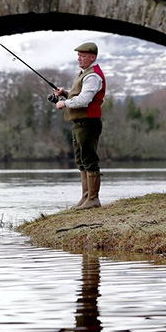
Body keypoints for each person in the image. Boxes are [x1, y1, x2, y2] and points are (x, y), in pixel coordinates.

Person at [53, 42, 106, 210]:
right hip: (80, 122)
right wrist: (66, 93)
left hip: (88, 122)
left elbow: (85, 100)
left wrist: (65, 103)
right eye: (78, 55)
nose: (79, 58)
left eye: (82, 56)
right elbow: (82, 95)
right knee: (81, 160)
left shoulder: (93, 76)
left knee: (89, 158)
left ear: (92, 57)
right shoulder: (85, 73)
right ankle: (85, 197)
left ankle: (93, 199)